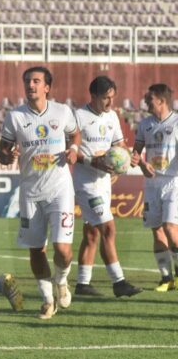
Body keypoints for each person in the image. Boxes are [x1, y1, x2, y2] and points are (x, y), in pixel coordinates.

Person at [0, 66, 81, 320]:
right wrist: (7, 155)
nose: (30, 85)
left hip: (60, 189)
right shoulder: (15, 117)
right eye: (27, 81)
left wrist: (74, 148)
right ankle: (47, 300)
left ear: (47, 87)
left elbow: (75, 133)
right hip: (31, 191)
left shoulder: (62, 111)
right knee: (36, 249)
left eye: (36, 81)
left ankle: (62, 281)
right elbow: (2, 153)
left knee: (63, 249)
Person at [72, 77, 142, 298]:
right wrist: (91, 161)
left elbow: (119, 145)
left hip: (104, 182)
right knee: (108, 229)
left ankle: (82, 284)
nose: (110, 102)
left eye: (113, 97)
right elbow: (70, 150)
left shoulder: (112, 116)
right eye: (106, 98)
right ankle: (118, 282)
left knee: (92, 233)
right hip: (86, 184)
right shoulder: (78, 116)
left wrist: (128, 157)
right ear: (93, 96)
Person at [132, 83, 178, 291]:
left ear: (161, 100)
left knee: (170, 229)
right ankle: (166, 278)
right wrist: (141, 162)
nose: (145, 101)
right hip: (151, 183)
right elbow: (136, 153)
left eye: (149, 99)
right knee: (156, 230)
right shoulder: (144, 124)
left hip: (173, 181)